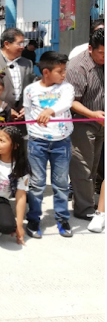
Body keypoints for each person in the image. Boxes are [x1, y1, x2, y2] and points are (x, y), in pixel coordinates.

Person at [23, 51, 75, 239]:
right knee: (37, 184)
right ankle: (34, 219)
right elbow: (29, 113)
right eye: (60, 71)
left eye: (64, 70)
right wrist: (34, 132)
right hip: (38, 143)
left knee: (61, 183)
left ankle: (62, 218)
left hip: (61, 142)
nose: (64, 74)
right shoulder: (30, 90)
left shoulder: (66, 88)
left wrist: (50, 110)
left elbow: (66, 102)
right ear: (46, 72)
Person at [66, 29, 105, 221]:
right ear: (90, 48)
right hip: (83, 122)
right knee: (82, 166)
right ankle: (84, 208)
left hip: (101, 122)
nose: (104, 57)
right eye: (102, 53)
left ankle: (90, 201)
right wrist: (93, 114)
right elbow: (71, 101)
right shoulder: (77, 67)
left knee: (95, 164)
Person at [0, 28, 34, 125]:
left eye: (23, 43)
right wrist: (5, 108)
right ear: (7, 44)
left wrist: (28, 106)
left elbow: (32, 88)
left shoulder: (27, 63)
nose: (23, 47)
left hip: (22, 118)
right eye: (19, 43)